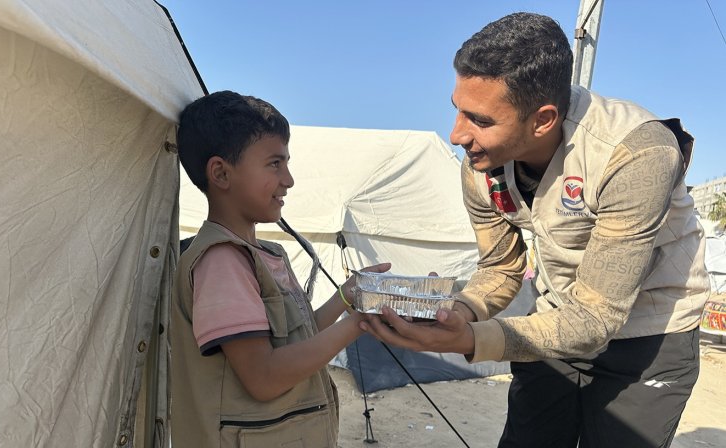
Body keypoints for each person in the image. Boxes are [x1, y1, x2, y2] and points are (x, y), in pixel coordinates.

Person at [360, 12, 709, 448]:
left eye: (480, 120)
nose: (456, 135)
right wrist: (456, 313)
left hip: (649, 334)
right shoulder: (481, 169)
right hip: (556, 321)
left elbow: (597, 316)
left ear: (543, 120)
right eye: (458, 111)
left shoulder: (635, 154)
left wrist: (471, 339)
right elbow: (501, 269)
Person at [170, 90, 389, 447]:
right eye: (274, 164)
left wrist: (347, 298)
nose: (288, 179)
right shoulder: (222, 261)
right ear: (221, 173)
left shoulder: (264, 254)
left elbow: (297, 343)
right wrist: (360, 324)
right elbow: (264, 376)